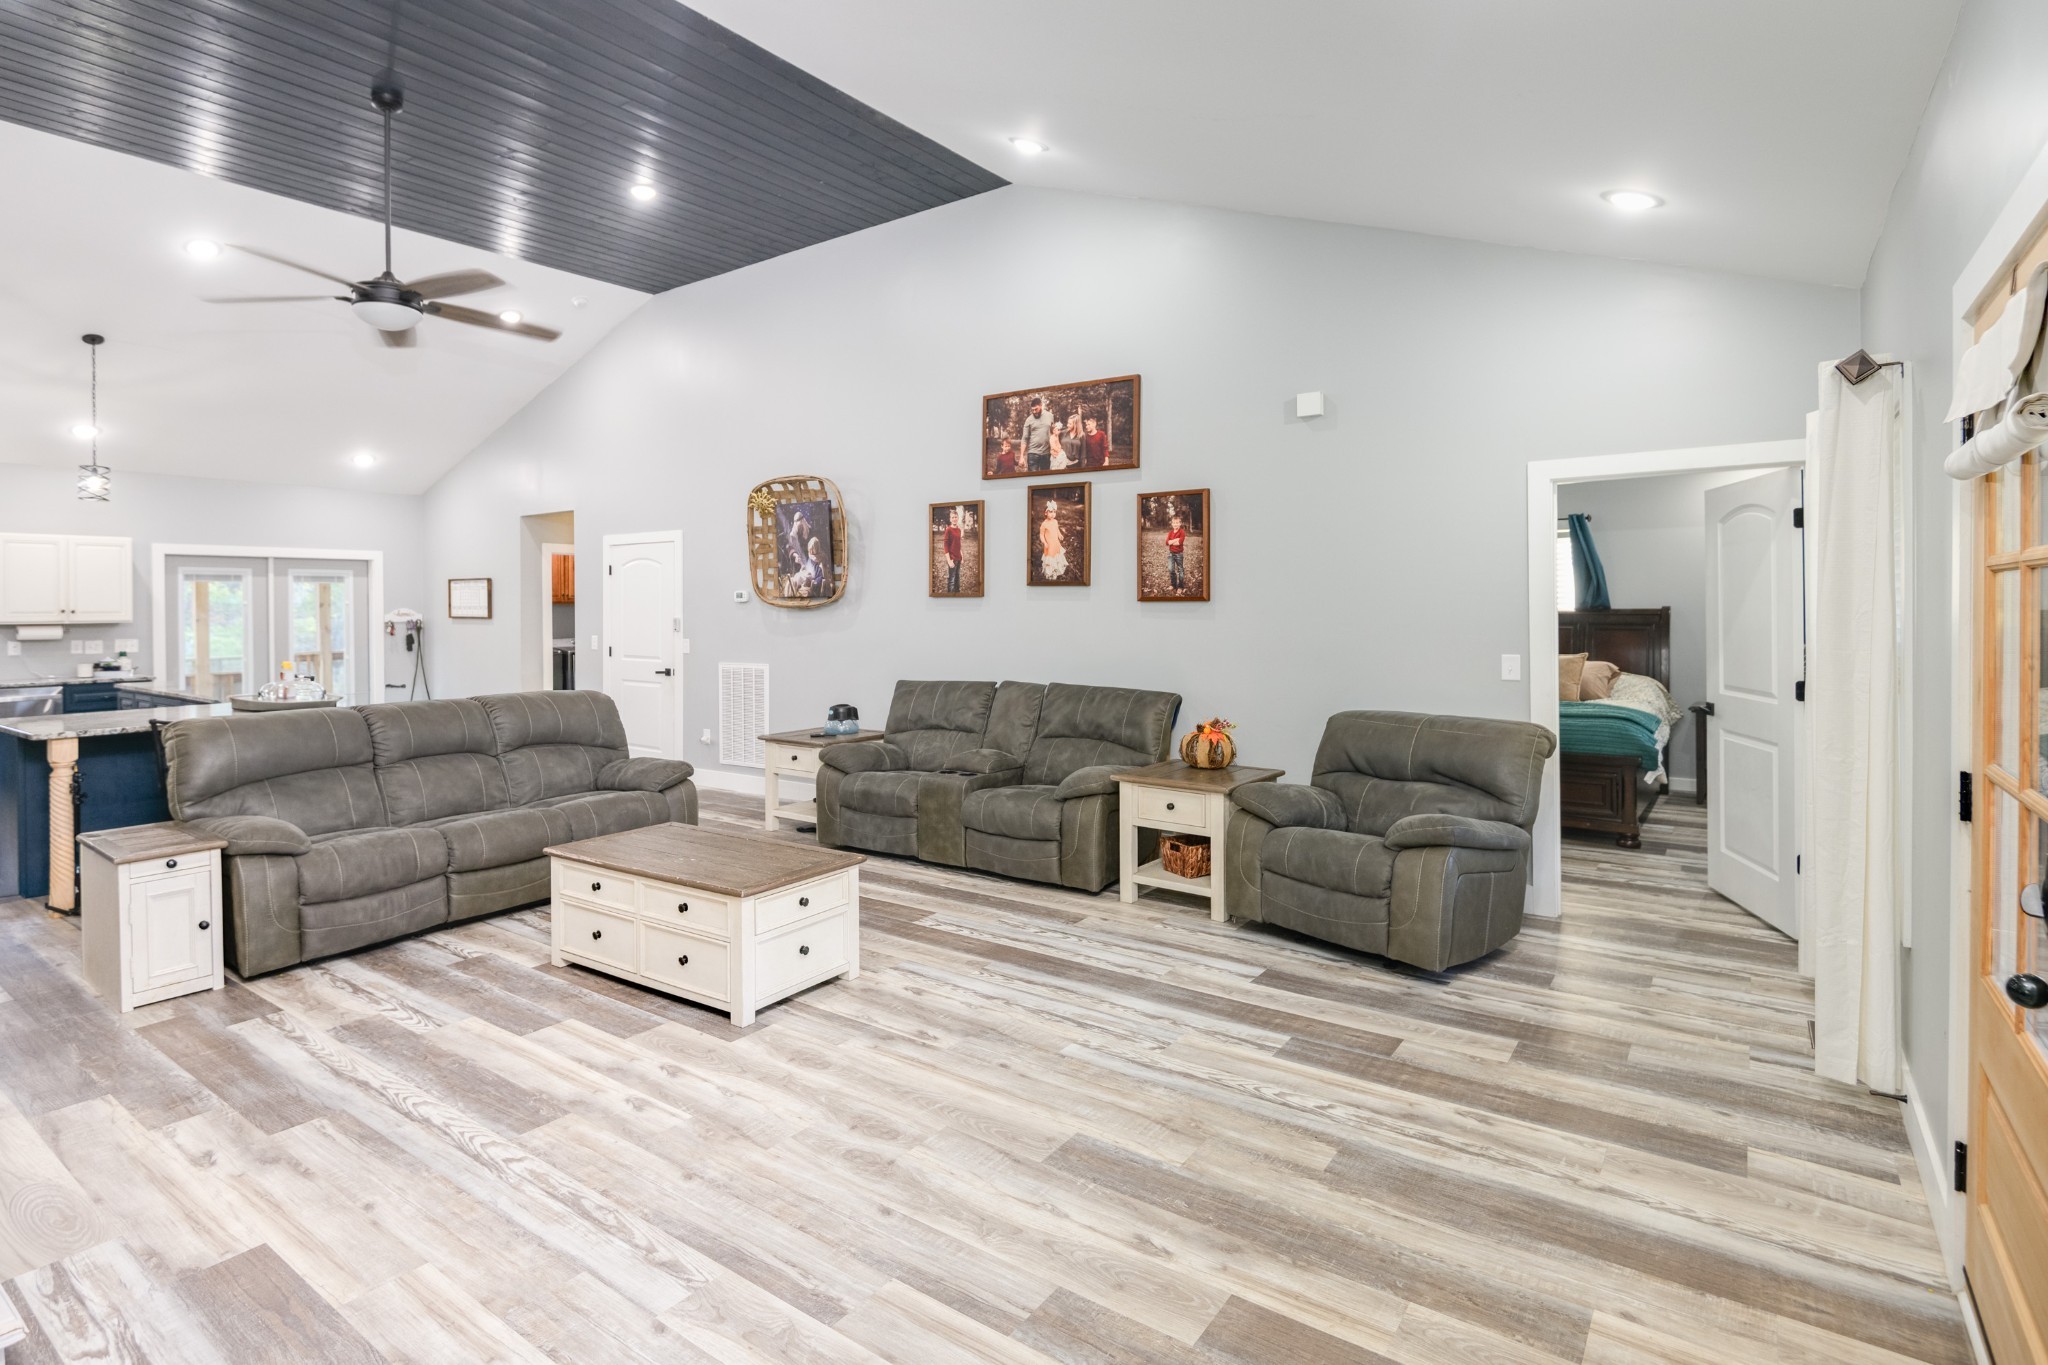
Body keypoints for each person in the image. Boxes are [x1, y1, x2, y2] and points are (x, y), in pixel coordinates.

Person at [1020, 398, 1053, 472]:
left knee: (1045, 478)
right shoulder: (1028, 420)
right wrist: (1021, 456)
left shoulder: (1050, 416)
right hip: (1033, 454)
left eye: (1036, 409)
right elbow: (1024, 438)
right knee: (1033, 479)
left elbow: (1053, 433)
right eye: (1032, 410)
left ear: (1041, 405)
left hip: (1046, 453)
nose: (1034, 412)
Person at [1038, 502, 1067, 581]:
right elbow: (1041, 535)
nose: (1053, 514)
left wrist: (1060, 535)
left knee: (1057, 555)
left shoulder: (1055, 521)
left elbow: (1057, 530)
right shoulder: (1044, 524)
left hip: (1056, 543)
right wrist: (1044, 542)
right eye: (1051, 512)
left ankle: (1056, 569)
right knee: (1050, 557)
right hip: (1049, 545)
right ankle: (1050, 573)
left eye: (1054, 512)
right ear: (1046, 513)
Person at [942, 507, 963, 594]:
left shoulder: (958, 529)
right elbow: (946, 546)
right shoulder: (948, 530)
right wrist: (949, 560)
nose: (954, 519)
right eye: (952, 517)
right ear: (950, 519)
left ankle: (957, 595)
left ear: (958, 518)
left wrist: (962, 556)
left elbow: (959, 543)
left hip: (958, 557)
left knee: (957, 578)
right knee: (952, 579)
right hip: (952, 558)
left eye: (956, 517)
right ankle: (950, 596)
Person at [1166, 512, 1187, 590]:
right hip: (1171, 554)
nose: (1175, 524)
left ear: (1180, 524)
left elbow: (1179, 543)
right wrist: (1175, 539)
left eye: (1177, 523)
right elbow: (1167, 543)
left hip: (1179, 554)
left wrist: (1172, 542)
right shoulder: (1170, 533)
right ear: (1172, 524)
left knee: (1180, 570)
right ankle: (1173, 584)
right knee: (1171, 569)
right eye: (1174, 523)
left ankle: (1180, 586)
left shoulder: (1182, 532)